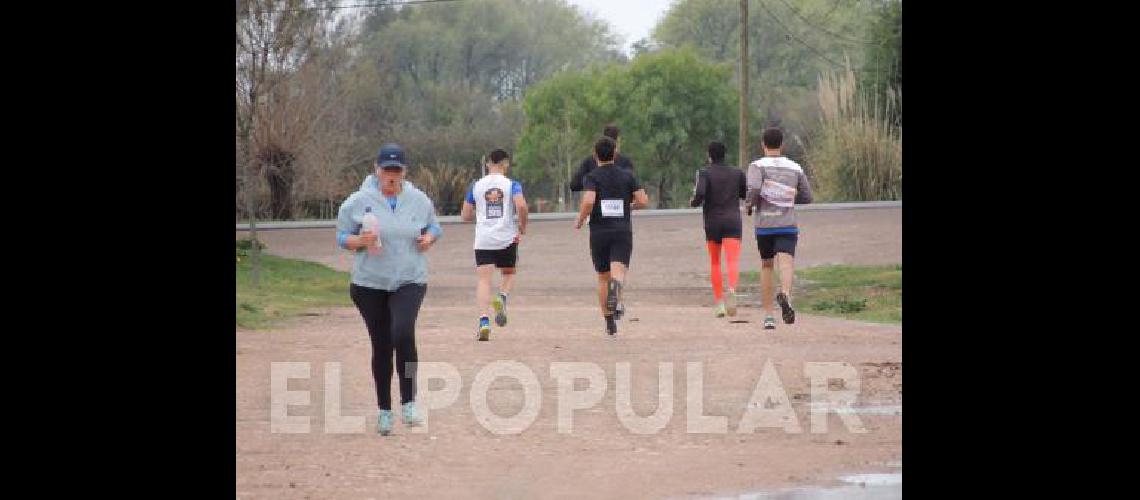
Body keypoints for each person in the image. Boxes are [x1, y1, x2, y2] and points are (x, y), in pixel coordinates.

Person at [336, 143, 442, 435]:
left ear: (405, 172)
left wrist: (429, 239)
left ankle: (409, 401)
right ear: (377, 170)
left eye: (397, 171)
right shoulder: (358, 201)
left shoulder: (418, 200)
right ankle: (384, 409)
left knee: (403, 332)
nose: (391, 177)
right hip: (369, 283)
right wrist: (360, 242)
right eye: (387, 170)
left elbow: (435, 227)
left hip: (409, 278)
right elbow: (342, 236)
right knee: (382, 345)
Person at [574, 136, 650, 336]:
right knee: (618, 271)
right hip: (621, 230)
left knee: (602, 276)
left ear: (595, 154)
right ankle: (615, 292)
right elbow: (643, 200)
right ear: (615, 153)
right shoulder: (627, 175)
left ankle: (609, 322)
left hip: (599, 231)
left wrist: (581, 219)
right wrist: (628, 206)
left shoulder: (592, 177)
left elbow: (589, 201)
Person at [744, 128, 814, 330]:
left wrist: (749, 205)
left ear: (762, 144)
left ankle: (768, 316)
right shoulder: (795, 167)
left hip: (765, 224)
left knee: (767, 265)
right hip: (787, 224)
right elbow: (808, 196)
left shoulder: (757, 166)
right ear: (781, 145)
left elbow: (755, 188)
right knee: (786, 263)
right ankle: (785, 294)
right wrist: (789, 199)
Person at [460, 149, 529, 341]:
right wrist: (522, 225)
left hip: (483, 239)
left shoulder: (476, 185)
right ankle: (502, 297)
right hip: (506, 237)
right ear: (505, 164)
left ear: (488, 164)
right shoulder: (512, 185)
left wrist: (482, 215)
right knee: (508, 273)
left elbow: (465, 215)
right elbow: (521, 205)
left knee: (484, 280)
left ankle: (483, 322)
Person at [690, 141, 747, 317]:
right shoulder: (737, 173)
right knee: (732, 260)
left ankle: (720, 303)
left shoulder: (704, 172)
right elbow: (744, 194)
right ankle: (732, 289)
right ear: (725, 154)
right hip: (732, 220)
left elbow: (700, 194)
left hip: (713, 221)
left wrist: (694, 203)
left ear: (709, 155)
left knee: (715, 262)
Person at [569, 124, 635, 192]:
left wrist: (591, 183)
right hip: (621, 200)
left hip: (596, 200)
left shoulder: (589, 162)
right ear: (617, 141)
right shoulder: (625, 162)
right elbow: (632, 184)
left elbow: (575, 185)